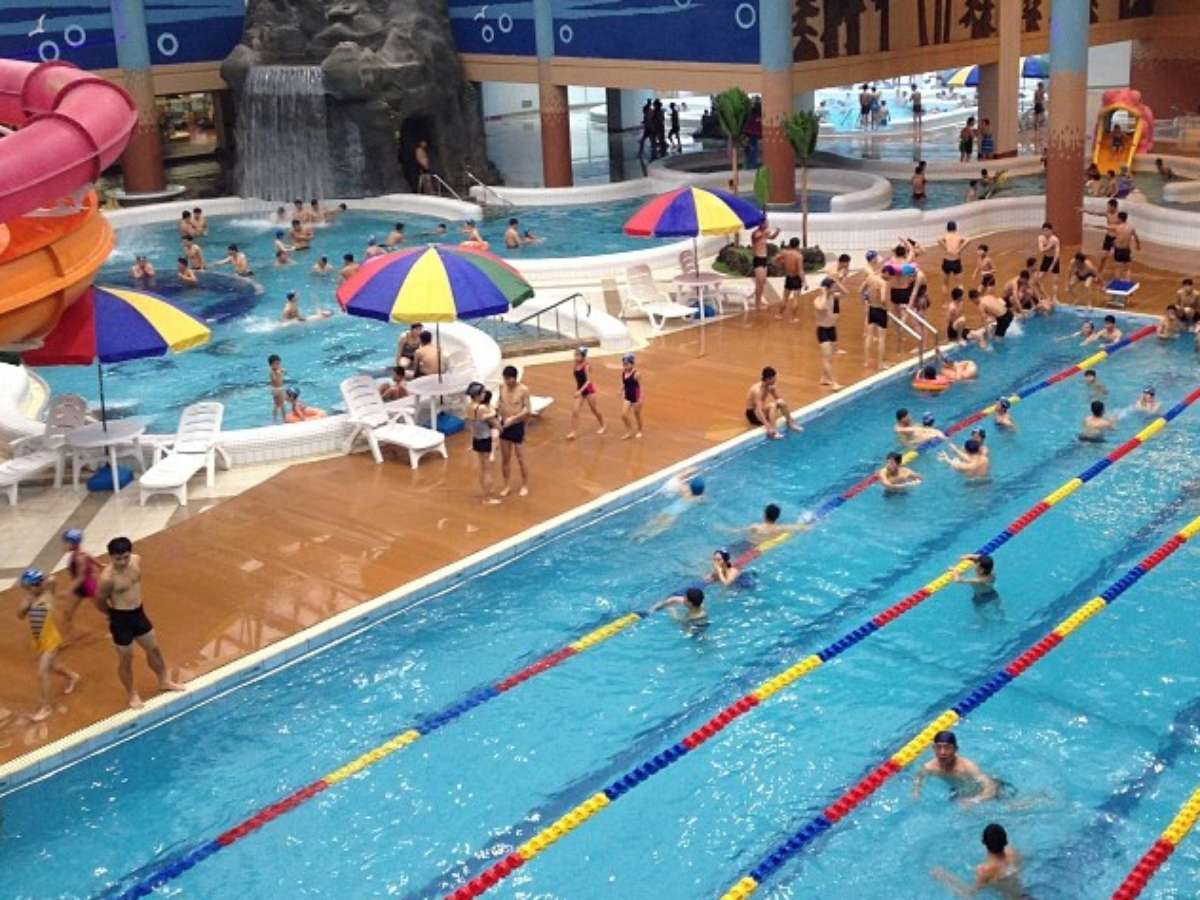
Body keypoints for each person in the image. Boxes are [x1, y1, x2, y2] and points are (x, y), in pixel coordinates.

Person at [96, 537, 185, 710]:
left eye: (125, 557)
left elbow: (133, 566)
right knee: (126, 659)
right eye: (118, 559)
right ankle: (132, 694)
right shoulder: (107, 579)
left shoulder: (136, 560)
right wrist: (110, 615)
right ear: (111, 557)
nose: (123, 562)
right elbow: (99, 601)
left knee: (154, 650)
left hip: (138, 614)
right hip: (121, 619)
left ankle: (164, 681)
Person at [16, 569, 80, 722]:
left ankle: (46, 708)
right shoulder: (29, 599)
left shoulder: (48, 593)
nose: (36, 587)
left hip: (51, 640)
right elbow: (20, 615)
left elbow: (52, 578)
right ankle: (73, 676)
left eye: (37, 584)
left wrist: (39, 577)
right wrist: (27, 601)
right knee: (54, 666)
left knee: (42, 672)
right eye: (32, 586)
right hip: (40, 639)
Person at [931, 823, 1023, 899]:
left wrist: (944, 877)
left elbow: (970, 895)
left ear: (983, 842)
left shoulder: (985, 870)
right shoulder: (1012, 852)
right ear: (1005, 840)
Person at [913, 730, 999, 803]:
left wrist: (974, 800)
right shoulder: (929, 767)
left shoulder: (967, 767)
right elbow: (918, 778)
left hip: (984, 792)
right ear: (933, 748)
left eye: (947, 747)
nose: (942, 752)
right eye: (938, 747)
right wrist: (916, 792)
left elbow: (991, 787)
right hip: (959, 791)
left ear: (955, 749)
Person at [496, 365, 531, 497]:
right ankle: (506, 485)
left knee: (521, 458)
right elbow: (499, 402)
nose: (507, 382)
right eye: (505, 379)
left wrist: (514, 418)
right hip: (504, 424)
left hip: (517, 425)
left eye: (509, 380)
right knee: (505, 458)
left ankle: (525, 484)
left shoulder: (523, 390)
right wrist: (495, 409)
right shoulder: (502, 387)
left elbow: (527, 409)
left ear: (515, 378)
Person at [468, 388, 502, 504]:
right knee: (487, 470)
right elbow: (493, 421)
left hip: (476, 438)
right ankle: (487, 498)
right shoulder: (482, 408)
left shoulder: (470, 406)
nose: (483, 395)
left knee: (482, 468)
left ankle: (485, 492)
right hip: (485, 439)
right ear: (477, 395)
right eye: (482, 393)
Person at [745, 367, 801, 439]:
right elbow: (759, 411)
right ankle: (774, 431)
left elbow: (778, 399)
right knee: (772, 405)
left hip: (760, 410)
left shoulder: (770, 386)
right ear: (768, 379)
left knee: (781, 401)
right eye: (774, 378)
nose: (775, 380)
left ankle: (790, 423)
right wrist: (768, 426)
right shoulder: (757, 391)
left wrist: (774, 392)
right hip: (753, 415)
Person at [567, 347, 605, 439]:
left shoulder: (586, 366)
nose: (575, 357)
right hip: (580, 390)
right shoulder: (575, 364)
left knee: (594, 410)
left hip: (588, 391)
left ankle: (603, 425)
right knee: (575, 411)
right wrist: (578, 390)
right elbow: (578, 379)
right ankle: (573, 432)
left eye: (578, 355)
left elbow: (588, 381)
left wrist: (579, 391)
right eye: (575, 355)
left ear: (583, 356)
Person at [814, 276, 844, 389]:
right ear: (827, 288)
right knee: (827, 358)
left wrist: (837, 281)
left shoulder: (835, 297)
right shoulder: (818, 300)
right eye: (833, 287)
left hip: (832, 329)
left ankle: (823, 378)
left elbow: (846, 293)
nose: (835, 289)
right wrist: (824, 293)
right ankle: (834, 383)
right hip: (823, 331)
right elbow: (821, 307)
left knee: (830, 357)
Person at [861, 265, 890, 370]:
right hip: (880, 310)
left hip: (871, 308)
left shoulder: (870, 278)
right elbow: (883, 299)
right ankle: (880, 364)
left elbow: (861, 290)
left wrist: (866, 300)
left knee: (869, 336)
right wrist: (886, 307)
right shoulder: (883, 283)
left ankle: (866, 361)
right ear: (886, 273)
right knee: (881, 339)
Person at [1084, 198, 1121, 274]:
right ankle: (1099, 272)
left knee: (1118, 259)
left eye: (1109, 207)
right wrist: (1084, 210)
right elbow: (1095, 213)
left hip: (1117, 238)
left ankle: (1119, 275)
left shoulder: (1120, 216)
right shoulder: (1107, 213)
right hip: (1108, 237)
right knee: (1103, 257)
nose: (1108, 208)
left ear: (1114, 207)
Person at [750, 219, 780, 309]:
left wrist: (777, 232)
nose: (767, 224)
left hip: (764, 259)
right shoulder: (755, 233)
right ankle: (757, 304)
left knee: (762, 283)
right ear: (760, 224)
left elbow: (772, 237)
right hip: (758, 260)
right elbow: (757, 237)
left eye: (768, 222)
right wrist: (765, 233)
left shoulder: (764, 233)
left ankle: (758, 300)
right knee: (759, 283)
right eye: (766, 223)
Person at [777, 237, 807, 321]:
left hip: (788, 277)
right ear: (798, 245)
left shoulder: (785, 253)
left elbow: (776, 258)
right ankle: (793, 318)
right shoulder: (799, 256)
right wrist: (804, 282)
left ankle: (779, 315)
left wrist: (781, 264)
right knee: (795, 299)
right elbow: (800, 270)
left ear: (790, 244)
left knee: (785, 298)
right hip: (796, 278)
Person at [937, 221, 970, 298]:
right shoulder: (958, 236)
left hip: (947, 261)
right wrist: (960, 249)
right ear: (955, 228)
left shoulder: (946, 236)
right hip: (956, 261)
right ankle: (960, 301)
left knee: (945, 283)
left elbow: (938, 240)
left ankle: (945, 302)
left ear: (947, 228)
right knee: (959, 284)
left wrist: (946, 248)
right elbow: (968, 240)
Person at [619, 353, 644, 440]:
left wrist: (640, 398)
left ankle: (640, 431)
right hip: (628, 397)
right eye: (623, 365)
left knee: (637, 415)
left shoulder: (637, 374)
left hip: (636, 398)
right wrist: (621, 389)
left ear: (632, 364)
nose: (625, 366)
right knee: (623, 415)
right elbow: (624, 383)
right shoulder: (624, 373)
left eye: (627, 364)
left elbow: (641, 387)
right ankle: (629, 431)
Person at [1111, 211, 1140, 282]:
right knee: (1127, 269)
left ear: (1120, 219)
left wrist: (1091, 225)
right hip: (1126, 250)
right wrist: (1138, 245)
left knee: (1118, 268)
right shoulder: (1131, 228)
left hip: (1118, 250)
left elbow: (1104, 227)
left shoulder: (1116, 227)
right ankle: (1127, 282)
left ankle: (1117, 282)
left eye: (1117, 218)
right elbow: (1136, 237)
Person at [1036, 221, 1061, 302]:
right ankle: (1041, 295)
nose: (1045, 232)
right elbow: (1041, 250)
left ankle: (1055, 297)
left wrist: (1052, 265)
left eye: (1047, 230)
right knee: (1039, 279)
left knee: (1055, 280)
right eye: (1043, 230)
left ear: (1051, 230)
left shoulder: (1055, 240)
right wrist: (1050, 246)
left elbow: (1057, 254)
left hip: (1054, 259)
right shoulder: (1041, 238)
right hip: (1046, 258)